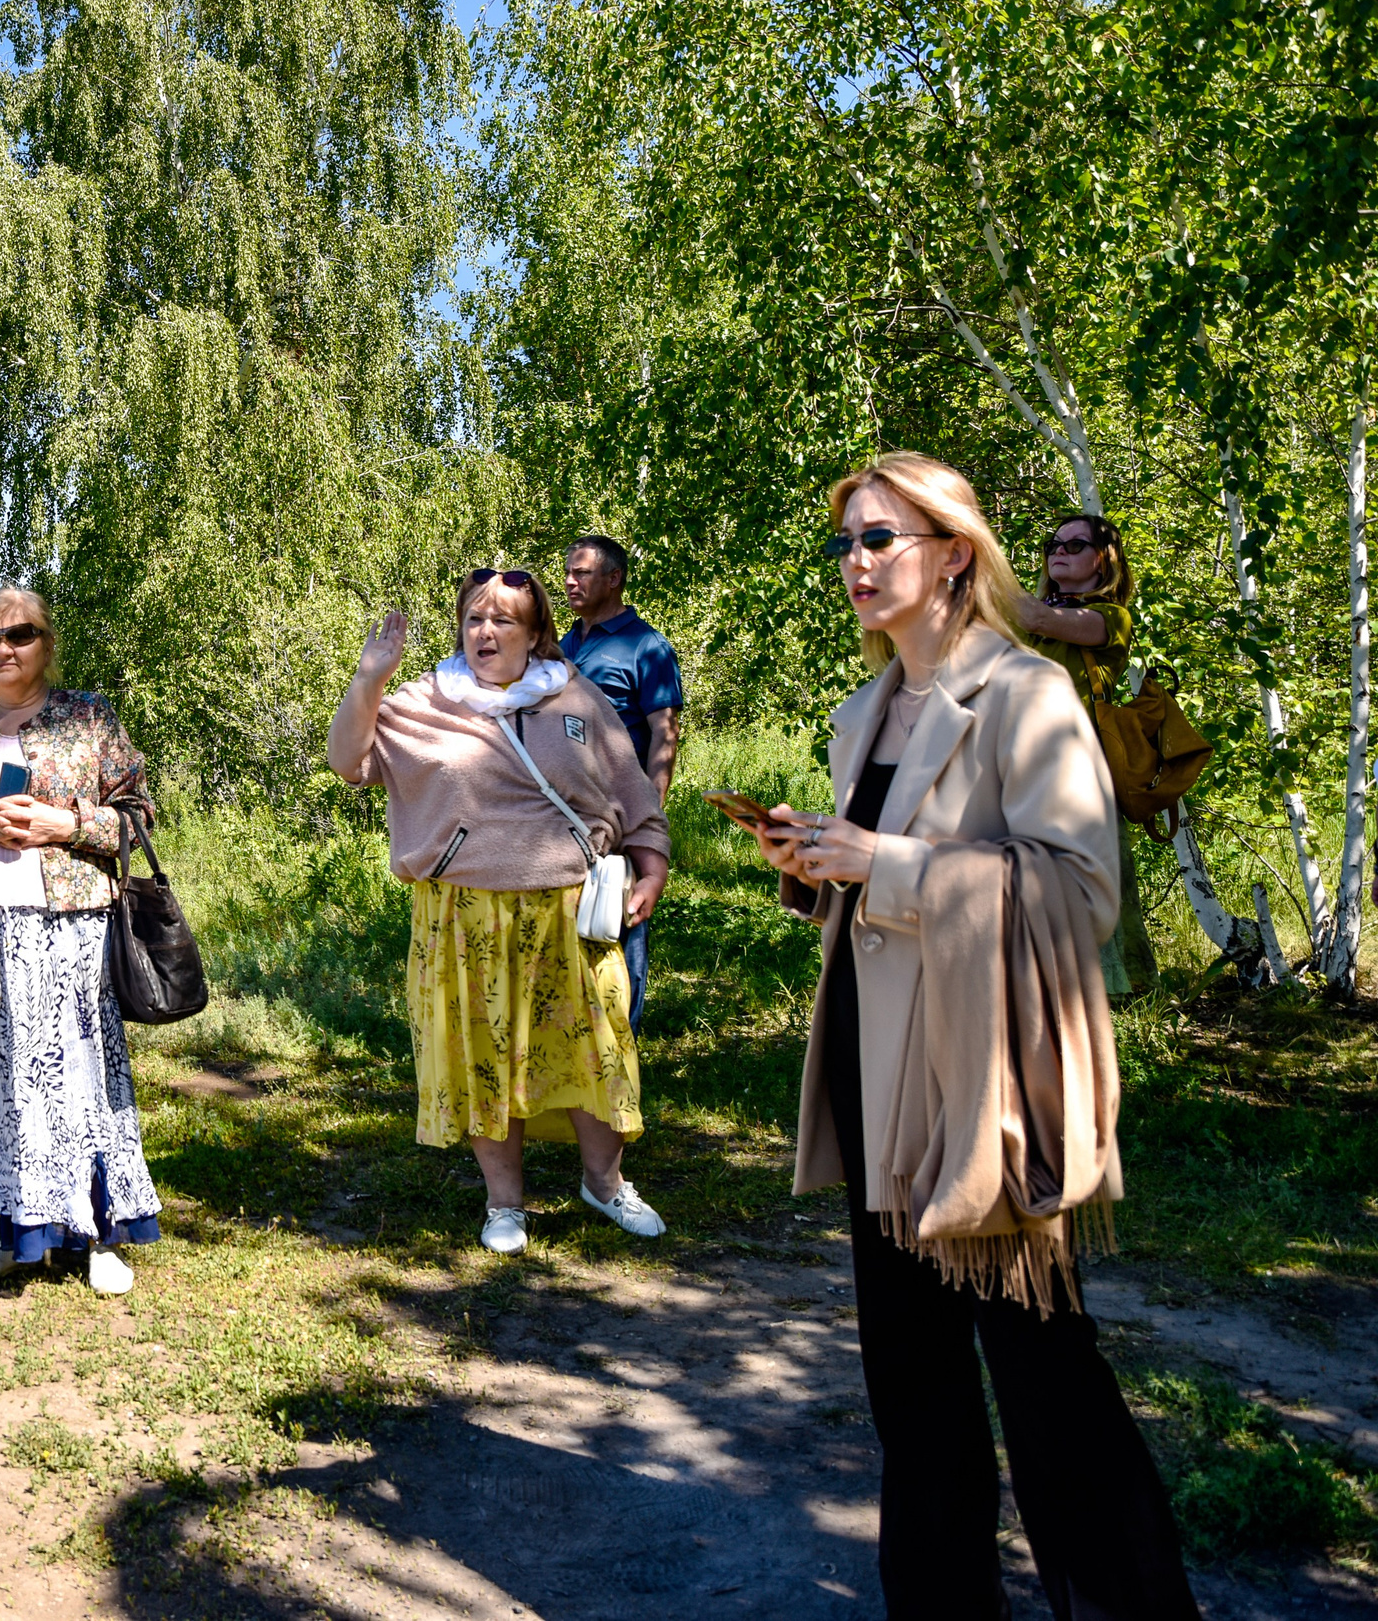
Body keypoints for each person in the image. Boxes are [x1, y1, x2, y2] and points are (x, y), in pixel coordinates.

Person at [755, 454, 1197, 1620]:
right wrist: (817, 866)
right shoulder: (865, 713)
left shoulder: (1025, 693)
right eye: (846, 542)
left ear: (953, 553)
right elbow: (883, 885)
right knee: (910, 1388)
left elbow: (1078, 893)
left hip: (989, 1082)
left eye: (879, 539)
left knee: (1049, 1387)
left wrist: (886, 864)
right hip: (877, 1082)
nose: (855, 563)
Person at [329, 567, 673, 1255]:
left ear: (536, 632)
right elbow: (347, 760)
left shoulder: (573, 697)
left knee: (597, 1050)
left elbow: (632, 790)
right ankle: (504, 1204)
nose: (485, 632)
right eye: (474, 620)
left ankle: (605, 1185)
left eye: (503, 620)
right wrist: (370, 679)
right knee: (486, 1056)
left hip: (568, 912)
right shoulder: (425, 701)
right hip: (465, 915)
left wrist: (653, 864)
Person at [0, 588, 165, 1296]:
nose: (4, 648)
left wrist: (65, 825)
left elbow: (139, 817)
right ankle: (16, 1234)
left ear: (46, 642)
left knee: (79, 1078)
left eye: (20, 634)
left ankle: (97, 1236)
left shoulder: (89, 717)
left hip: (72, 928)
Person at [1016, 513, 1156, 994]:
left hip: (1075, 766)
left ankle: (1106, 992)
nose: (1059, 550)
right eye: (1053, 544)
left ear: (1104, 560)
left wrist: (971, 564)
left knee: (1080, 877)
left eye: (1075, 545)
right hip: (1018, 760)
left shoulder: (1109, 618)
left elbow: (1036, 619)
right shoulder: (1031, 615)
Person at [560, 535, 686, 1027]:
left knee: (620, 922)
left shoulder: (646, 647)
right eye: (568, 572)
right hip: (562, 819)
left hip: (621, 816)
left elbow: (664, 735)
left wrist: (647, 815)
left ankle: (620, 1045)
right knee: (570, 930)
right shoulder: (562, 645)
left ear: (614, 579)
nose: (570, 581)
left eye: (582, 573)